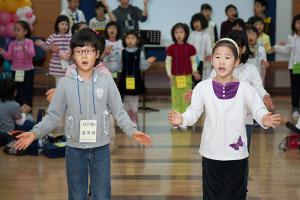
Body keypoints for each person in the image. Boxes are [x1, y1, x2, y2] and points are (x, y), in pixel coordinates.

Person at [13, 28, 152, 200]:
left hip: (101, 148)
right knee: (77, 195)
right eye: (79, 52)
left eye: (88, 51)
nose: (84, 56)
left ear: (97, 54)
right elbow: (53, 116)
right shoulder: (64, 83)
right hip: (74, 148)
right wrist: (34, 133)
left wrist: (133, 131)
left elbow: (119, 111)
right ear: (73, 55)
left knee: (102, 195)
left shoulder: (106, 80)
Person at [169, 38, 281, 200]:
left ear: (236, 62)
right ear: (212, 60)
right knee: (211, 194)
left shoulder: (245, 88)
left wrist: (264, 119)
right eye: (217, 57)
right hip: (210, 152)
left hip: (237, 155)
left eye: (227, 57)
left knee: (236, 194)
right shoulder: (202, 87)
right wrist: (182, 119)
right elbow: (193, 112)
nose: (221, 62)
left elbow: (258, 109)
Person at [165, 23, 200, 129]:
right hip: (175, 78)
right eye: (176, 32)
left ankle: (184, 121)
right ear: (173, 34)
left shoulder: (191, 48)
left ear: (186, 33)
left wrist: (194, 70)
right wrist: (170, 75)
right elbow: (168, 63)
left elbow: (194, 61)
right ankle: (175, 122)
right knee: (175, 99)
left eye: (181, 32)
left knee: (186, 99)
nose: (178, 34)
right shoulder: (170, 48)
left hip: (187, 77)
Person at [118, 30, 156, 124]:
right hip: (125, 80)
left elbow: (142, 66)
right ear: (124, 40)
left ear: (137, 40)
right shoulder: (122, 52)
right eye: (128, 38)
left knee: (134, 100)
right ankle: (127, 119)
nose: (130, 40)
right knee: (126, 100)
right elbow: (118, 66)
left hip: (136, 80)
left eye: (133, 38)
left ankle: (134, 118)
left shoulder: (140, 52)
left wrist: (149, 62)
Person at [0, 21, 35, 110]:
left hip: (28, 71)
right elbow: (9, 57)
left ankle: (28, 109)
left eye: (18, 30)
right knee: (18, 90)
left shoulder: (29, 42)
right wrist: (3, 52)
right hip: (16, 71)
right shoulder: (12, 43)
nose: (16, 32)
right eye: (15, 30)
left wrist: (25, 50)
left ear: (25, 32)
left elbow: (32, 54)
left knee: (28, 90)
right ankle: (18, 109)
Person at [272, 14, 300, 118]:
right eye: (298, 22)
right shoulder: (291, 37)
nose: (299, 24)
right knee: (296, 87)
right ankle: (296, 108)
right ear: (294, 24)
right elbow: (287, 49)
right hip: (296, 65)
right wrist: (276, 47)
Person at [35, 15, 72, 86]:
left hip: (68, 65)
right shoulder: (53, 36)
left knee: (68, 85)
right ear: (57, 25)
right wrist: (41, 44)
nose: (64, 26)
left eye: (66, 24)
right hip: (56, 66)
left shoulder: (70, 36)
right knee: (59, 85)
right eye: (62, 24)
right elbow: (47, 47)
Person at [188, 13, 212, 82]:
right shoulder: (191, 34)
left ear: (203, 22)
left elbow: (208, 49)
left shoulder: (206, 35)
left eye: (198, 22)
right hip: (192, 61)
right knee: (191, 79)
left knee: (199, 79)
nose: (196, 24)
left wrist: (209, 54)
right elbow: (189, 47)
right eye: (194, 22)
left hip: (201, 61)